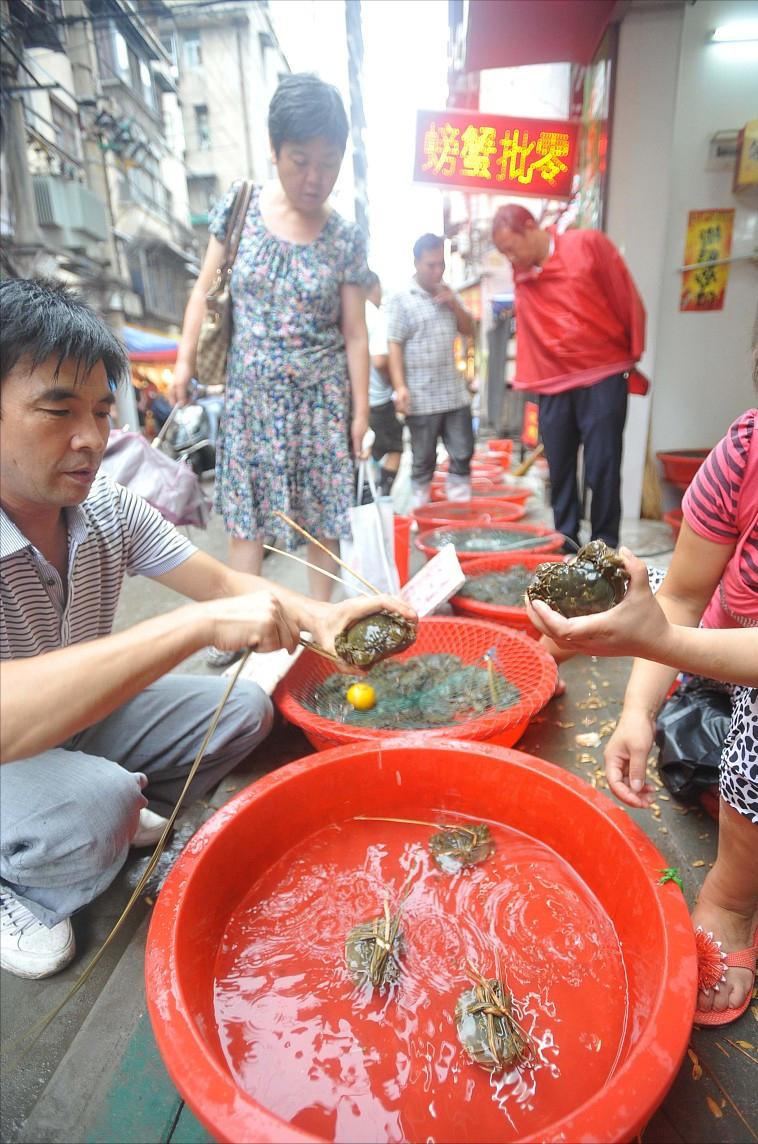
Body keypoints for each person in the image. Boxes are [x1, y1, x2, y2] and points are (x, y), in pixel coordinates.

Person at [0, 278, 415, 980]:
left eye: (103, 411)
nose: (91, 438)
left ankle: (101, 809)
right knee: (96, 808)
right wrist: (194, 629)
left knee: (245, 710)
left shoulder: (105, 507)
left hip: (75, 729)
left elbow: (223, 585)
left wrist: (325, 618)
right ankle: (27, 878)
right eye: (57, 409)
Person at [526, 406, 758, 1027]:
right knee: (629, 583)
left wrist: (660, 645)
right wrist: (636, 710)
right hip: (718, 640)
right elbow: (681, 594)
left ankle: (732, 900)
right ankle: (532, 670)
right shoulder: (744, 449)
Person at [171, 74, 371, 666]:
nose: (314, 178)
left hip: (321, 397)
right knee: (247, 521)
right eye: (300, 160)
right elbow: (204, 290)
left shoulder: (345, 238)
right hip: (252, 397)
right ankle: (241, 629)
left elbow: (356, 332)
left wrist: (360, 413)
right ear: (274, 149)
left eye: (329, 164)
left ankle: (321, 630)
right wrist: (182, 360)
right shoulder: (240, 206)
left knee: (323, 518)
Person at [492, 205, 647, 551]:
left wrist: (631, 353)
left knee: (602, 468)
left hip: (601, 376)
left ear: (530, 227)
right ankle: (565, 543)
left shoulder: (588, 244)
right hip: (553, 382)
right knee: (559, 470)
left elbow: (624, 296)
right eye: (503, 253)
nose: (509, 258)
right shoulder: (524, 274)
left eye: (511, 248)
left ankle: (604, 548)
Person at [386, 234, 475, 508]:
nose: (437, 271)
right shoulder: (402, 299)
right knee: (423, 458)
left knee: (462, 452)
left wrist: (453, 304)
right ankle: (420, 512)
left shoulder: (449, 292)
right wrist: (400, 387)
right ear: (416, 263)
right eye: (430, 265)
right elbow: (394, 345)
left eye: (441, 265)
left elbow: (469, 329)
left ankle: (460, 508)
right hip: (421, 396)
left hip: (454, 393)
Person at [365, 272, 403, 497]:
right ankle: (380, 496)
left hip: (355, 401)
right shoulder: (374, 315)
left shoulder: (350, 312)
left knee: (367, 451)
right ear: (375, 287)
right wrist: (395, 382)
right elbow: (380, 360)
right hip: (377, 399)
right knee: (395, 447)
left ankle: (373, 495)